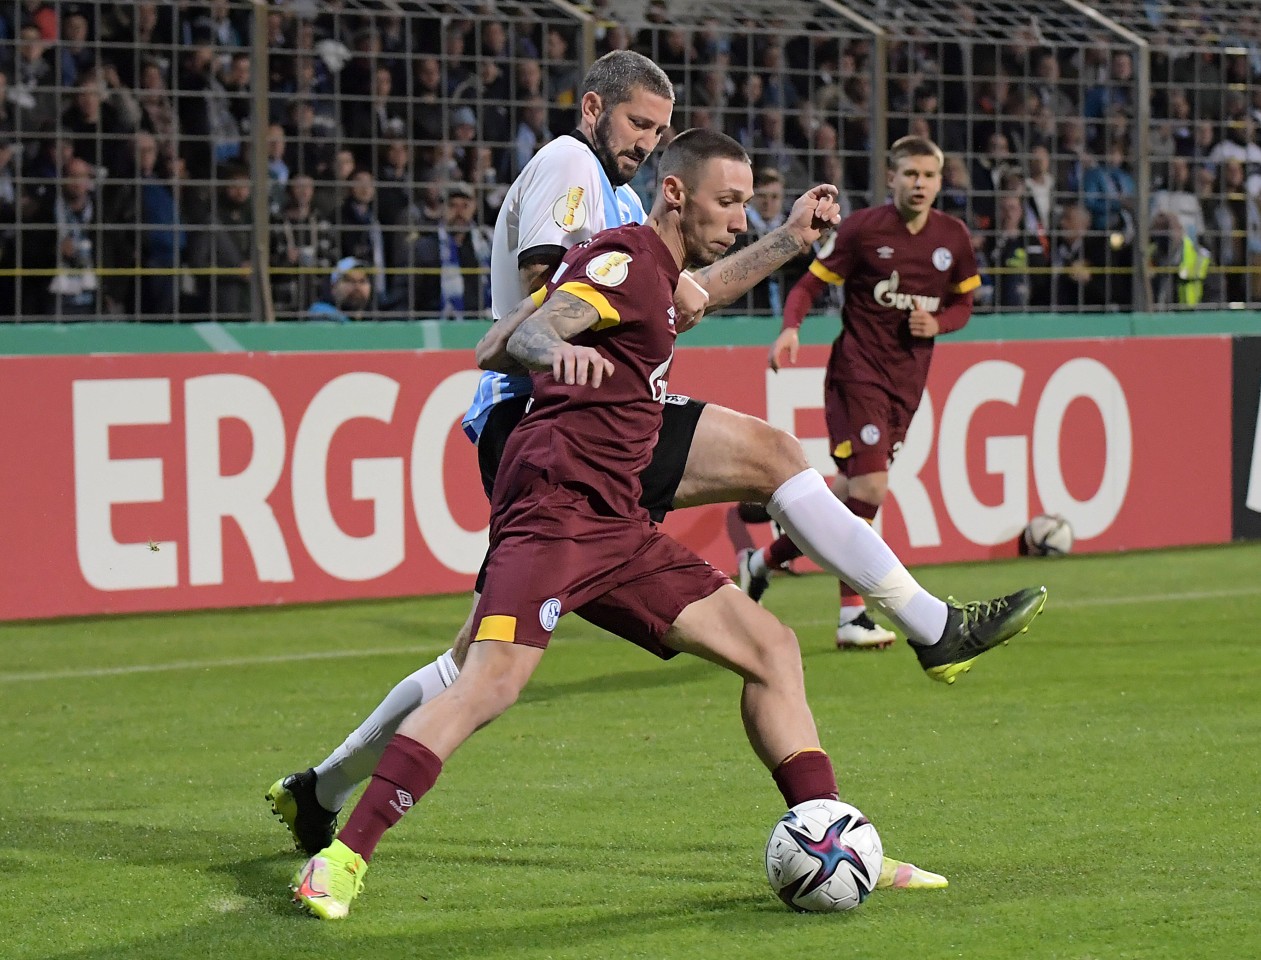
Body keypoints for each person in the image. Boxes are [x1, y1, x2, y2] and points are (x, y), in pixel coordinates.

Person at [267, 55, 1046, 879]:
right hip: (554, 420)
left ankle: (320, 789)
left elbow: (678, 296)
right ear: (594, 108)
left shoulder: (629, 209)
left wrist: (784, 241)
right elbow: (554, 299)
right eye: (637, 124)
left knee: (481, 663)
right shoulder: (571, 166)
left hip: (581, 424)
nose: (646, 142)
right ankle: (928, 627)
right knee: (768, 463)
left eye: (658, 130)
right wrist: (557, 352)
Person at [742, 136, 988, 648]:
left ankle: (763, 559)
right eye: (910, 175)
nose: (919, 184)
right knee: (871, 490)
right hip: (858, 374)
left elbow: (965, 304)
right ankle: (853, 615)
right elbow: (809, 284)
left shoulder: (953, 238)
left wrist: (939, 322)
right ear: (891, 177)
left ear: (940, 181)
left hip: (907, 385)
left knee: (852, 496)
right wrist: (791, 328)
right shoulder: (863, 230)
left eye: (928, 175)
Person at [308, 256, 370, 321]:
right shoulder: (321, 313)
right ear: (333, 287)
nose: (357, 286)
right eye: (349, 280)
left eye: (362, 281)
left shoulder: (376, 315)